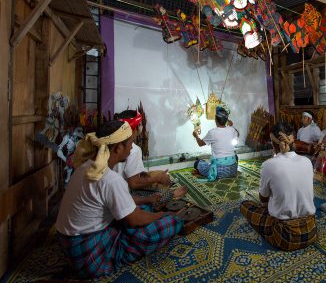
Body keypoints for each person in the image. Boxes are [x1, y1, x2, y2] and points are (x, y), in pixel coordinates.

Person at [56, 121, 183, 278]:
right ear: (117, 148)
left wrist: (147, 199)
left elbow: (114, 200)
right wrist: (163, 216)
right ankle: (114, 256)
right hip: (88, 255)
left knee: (144, 209)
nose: (132, 148)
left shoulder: (85, 167)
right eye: (130, 144)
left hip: (69, 244)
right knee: (171, 223)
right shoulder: (111, 179)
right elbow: (134, 220)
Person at [240, 122, 317, 251]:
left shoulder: (269, 165)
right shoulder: (307, 161)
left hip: (285, 235)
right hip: (310, 230)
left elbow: (263, 200)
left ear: (274, 143)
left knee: (245, 205)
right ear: (293, 140)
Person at [114, 110, 187, 209]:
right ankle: (172, 194)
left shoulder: (113, 143)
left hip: (116, 190)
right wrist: (157, 179)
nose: (141, 128)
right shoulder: (133, 149)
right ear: (135, 128)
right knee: (159, 193)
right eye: (139, 125)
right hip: (123, 195)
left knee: (157, 174)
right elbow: (133, 184)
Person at [192, 106, 239, 180]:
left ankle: (209, 169)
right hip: (233, 170)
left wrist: (196, 136)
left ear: (215, 120)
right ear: (226, 120)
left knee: (197, 163)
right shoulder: (232, 130)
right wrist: (231, 125)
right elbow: (237, 134)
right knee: (234, 156)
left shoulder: (212, 132)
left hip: (219, 171)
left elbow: (200, 144)